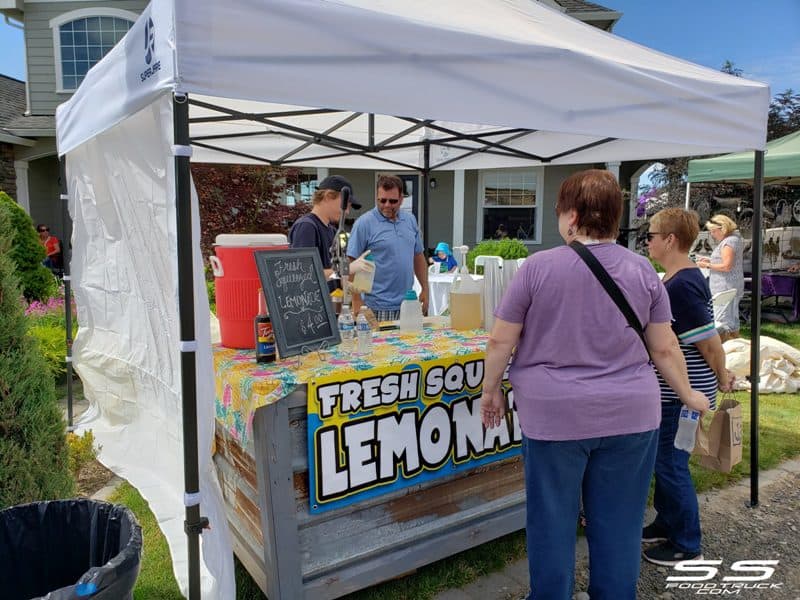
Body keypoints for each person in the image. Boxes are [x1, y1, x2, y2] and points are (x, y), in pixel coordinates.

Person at [480, 169, 709, 600]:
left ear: (571, 216)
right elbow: (664, 348)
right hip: (631, 415)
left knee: (552, 522)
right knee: (620, 523)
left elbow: (500, 339)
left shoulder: (537, 268)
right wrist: (689, 393)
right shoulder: (643, 271)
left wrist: (491, 389)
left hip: (554, 417)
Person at [643, 208, 734, 566]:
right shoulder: (677, 278)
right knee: (664, 462)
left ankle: (686, 542)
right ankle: (667, 522)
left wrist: (722, 373)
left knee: (670, 464)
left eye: (650, 235)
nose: (646, 241)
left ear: (670, 240)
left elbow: (708, 341)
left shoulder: (681, 285)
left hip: (682, 394)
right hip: (676, 391)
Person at [346, 175, 429, 321]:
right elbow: (351, 262)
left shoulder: (410, 220)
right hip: (376, 306)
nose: (387, 205)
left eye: (393, 201)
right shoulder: (364, 223)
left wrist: (425, 288)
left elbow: (418, 256)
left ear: (402, 198)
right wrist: (357, 300)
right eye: (382, 200)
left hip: (407, 303)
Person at [288, 175, 361, 288]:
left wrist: (347, 284)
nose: (347, 211)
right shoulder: (307, 227)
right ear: (328, 196)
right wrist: (345, 270)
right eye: (345, 205)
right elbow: (304, 275)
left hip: (332, 301)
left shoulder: (332, 230)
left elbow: (330, 275)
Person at [695, 215, 744, 342]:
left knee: (722, 322)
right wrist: (710, 260)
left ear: (722, 228)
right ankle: (735, 345)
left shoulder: (728, 242)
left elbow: (727, 266)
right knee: (732, 321)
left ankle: (724, 348)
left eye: (713, 231)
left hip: (724, 288)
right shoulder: (734, 239)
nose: (712, 234)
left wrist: (707, 265)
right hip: (730, 286)